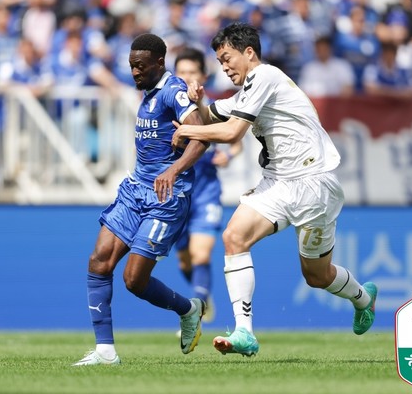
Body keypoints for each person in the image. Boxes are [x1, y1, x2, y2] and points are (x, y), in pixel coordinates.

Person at [172, 22, 377, 357]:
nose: (223, 66)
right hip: (280, 182)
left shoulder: (265, 76)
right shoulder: (248, 92)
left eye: (227, 57)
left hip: (314, 182)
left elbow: (233, 131)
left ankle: (363, 298)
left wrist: (187, 134)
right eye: (220, 61)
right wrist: (195, 104)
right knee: (233, 237)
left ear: (249, 53)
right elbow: (210, 116)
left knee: (316, 275)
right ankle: (244, 333)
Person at [73, 33, 209, 366]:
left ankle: (188, 309)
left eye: (140, 66)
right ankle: (105, 352)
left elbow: (201, 138)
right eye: (132, 66)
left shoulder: (172, 92)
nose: (134, 72)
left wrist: (173, 171)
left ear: (159, 63)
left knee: (133, 280)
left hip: (166, 196)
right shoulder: (149, 91)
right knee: (99, 261)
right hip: (135, 190)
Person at [173, 47, 242, 324]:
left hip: (205, 191)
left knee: (201, 253)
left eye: (192, 72)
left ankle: (197, 311)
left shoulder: (212, 105)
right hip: (176, 193)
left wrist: (229, 154)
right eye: (182, 72)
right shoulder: (166, 105)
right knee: (185, 261)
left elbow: (236, 137)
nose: (187, 77)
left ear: (203, 75)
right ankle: (204, 296)